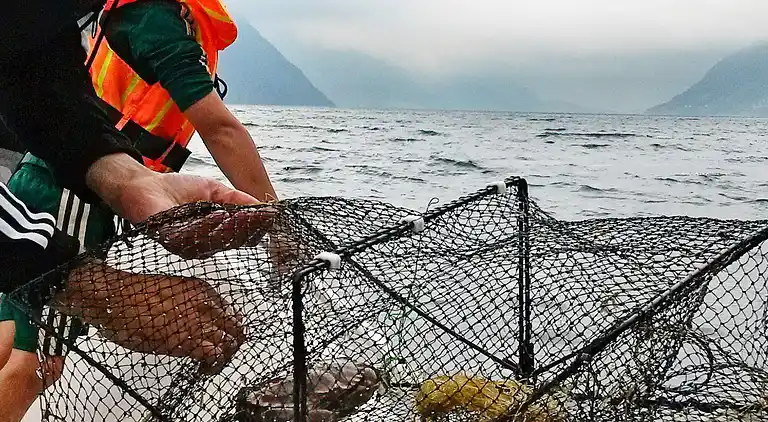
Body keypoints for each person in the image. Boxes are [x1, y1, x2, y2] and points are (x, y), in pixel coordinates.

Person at [0, 1, 275, 419]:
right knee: (38, 365)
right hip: (67, 198)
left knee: (10, 338)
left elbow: (39, 81)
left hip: (63, 177)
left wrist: (129, 181)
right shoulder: (155, 21)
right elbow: (220, 128)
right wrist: (280, 224)